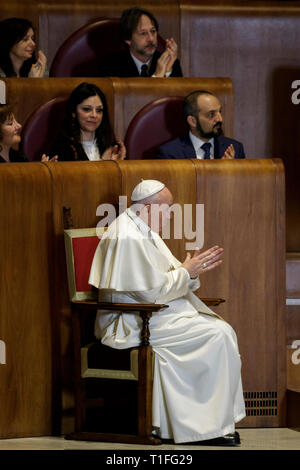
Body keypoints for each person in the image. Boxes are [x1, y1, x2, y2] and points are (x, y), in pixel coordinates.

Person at [89, 179, 246, 446]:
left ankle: (212, 425)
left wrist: (189, 270)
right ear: (149, 208)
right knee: (216, 335)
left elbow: (166, 278)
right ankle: (195, 429)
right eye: (168, 208)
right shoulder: (127, 235)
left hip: (152, 314)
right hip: (130, 320)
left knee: (221, 331)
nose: (171, 215)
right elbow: (149, 293)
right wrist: (186, 272)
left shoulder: (144, 230)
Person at [157, 90, 245, 159]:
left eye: (220, 112)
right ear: (192, 121)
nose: (220, 119)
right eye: (211, 114)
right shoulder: (171, 153)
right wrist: (220, 171)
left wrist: (230, 172)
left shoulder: (235, 149)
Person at [50, 82, 126, 161]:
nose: (94, 115)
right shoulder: (62, 148)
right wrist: (104, 163)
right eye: (87, 109)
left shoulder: (111, 145)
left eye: (99, 110)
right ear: (73, 112)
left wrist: (118, 165)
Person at [99, 7, 183, 78]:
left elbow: (177, 96)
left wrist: (167, 73)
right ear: (128, 40)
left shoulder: (171, 63)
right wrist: (157, 77)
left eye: (153, 31)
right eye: (143, 33)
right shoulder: (110, 66)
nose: (150, 39)